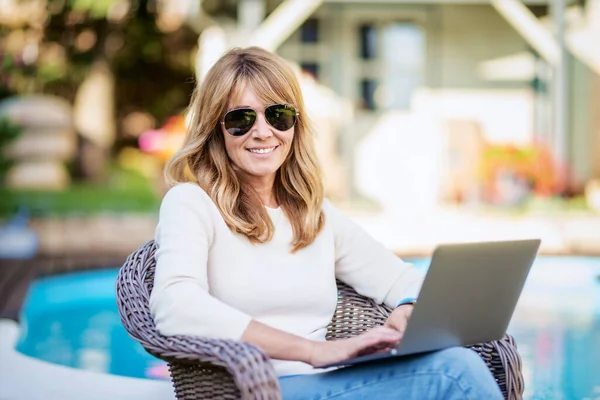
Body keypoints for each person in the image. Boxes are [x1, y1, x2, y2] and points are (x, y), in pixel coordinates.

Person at [149, 46, 503, 399]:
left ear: (295, 124)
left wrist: (408, 306)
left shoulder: (314, 215)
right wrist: (313, 351)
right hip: (255, 387)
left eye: (278, 116)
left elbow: (400, 278)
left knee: (459, 363)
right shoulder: (191, 203)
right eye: (241, 119)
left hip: (327, 384)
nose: (262, 132)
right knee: (455, 374)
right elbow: (176, 305)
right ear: (216, 129)